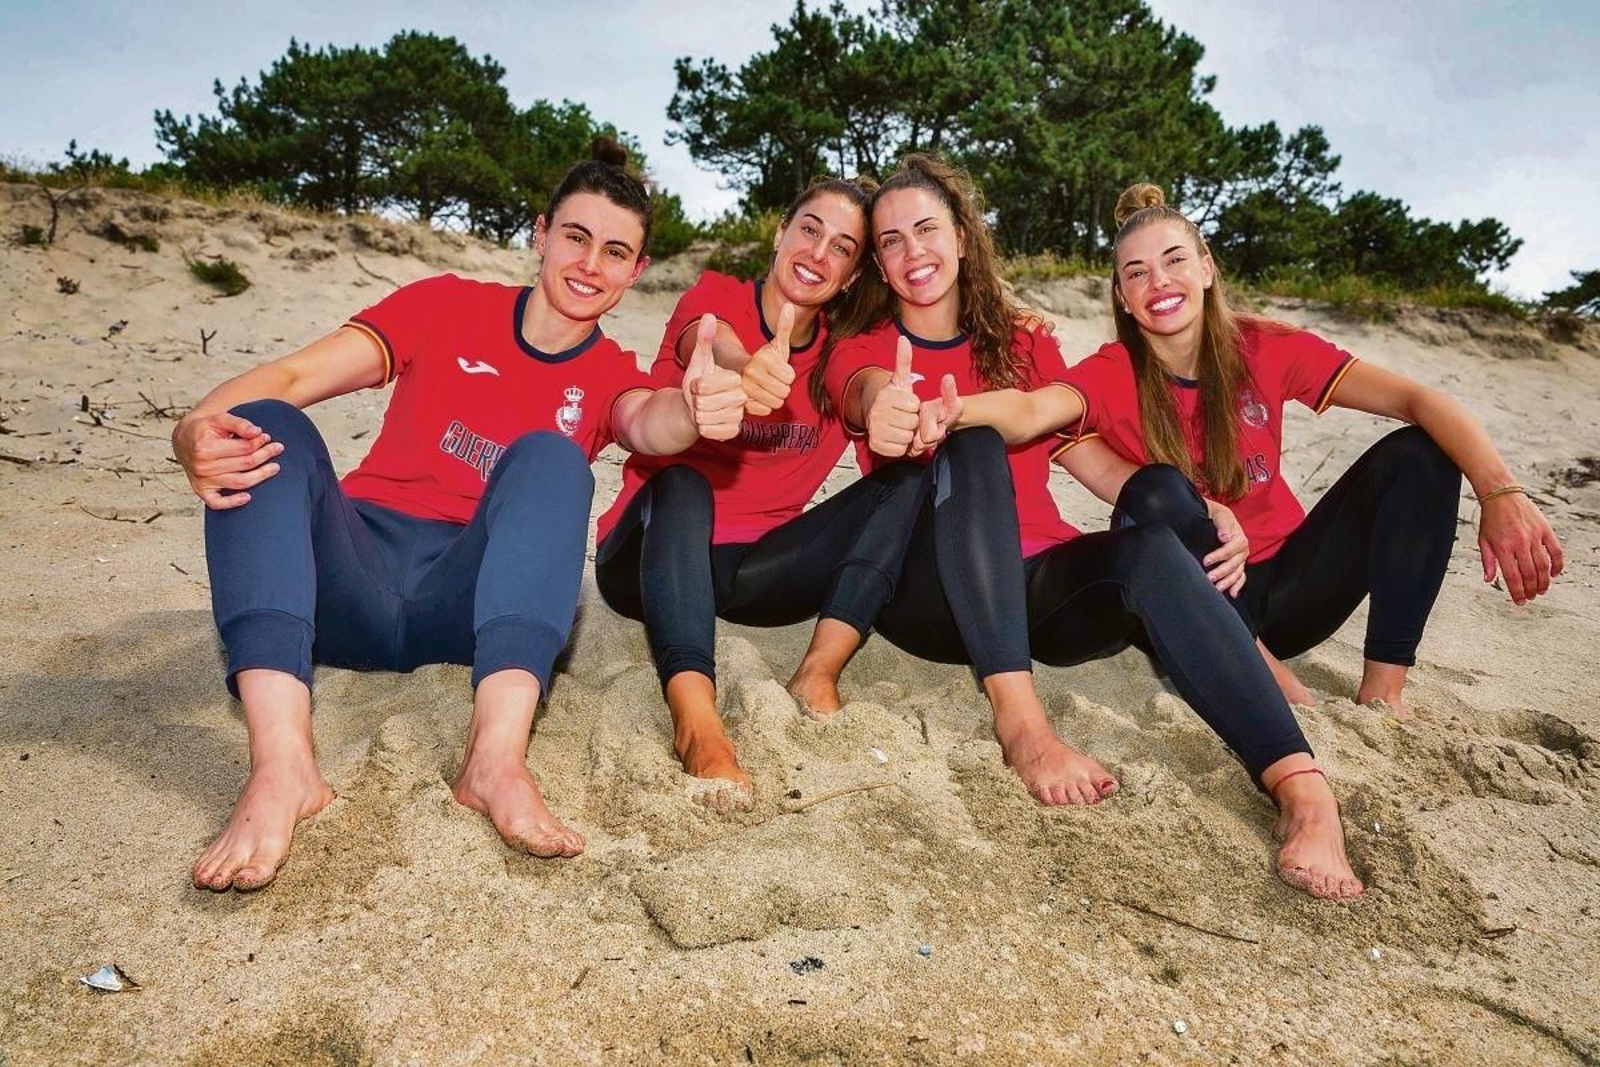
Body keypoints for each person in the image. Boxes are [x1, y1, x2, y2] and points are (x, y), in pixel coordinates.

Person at [173, 140, 746, 891]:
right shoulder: (446, 305)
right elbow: (295, 375)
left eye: (615, 252)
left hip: (471, 611)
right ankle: (282, 769)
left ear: (636, 271)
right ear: (540, 234)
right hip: (349, 582)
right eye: (575, 237)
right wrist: (194, 427)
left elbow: (650, 424)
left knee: (552, 457)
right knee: (260, 422)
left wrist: (697, 410)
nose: (589, 264)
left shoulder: (610, 374)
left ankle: (495, 759)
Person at [827, 154, 1364, 900]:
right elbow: (864, 393)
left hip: (1037, 591)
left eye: (926, 229)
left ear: (961, 236)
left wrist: (1196, 504)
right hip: (934, 594)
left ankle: (1301, 790)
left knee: (1148, 536)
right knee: (973, 440)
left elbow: (1087, 459)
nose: (912, 251)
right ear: (880, 266)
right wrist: (893, 405)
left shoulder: (1025, 343)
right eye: (890, 241)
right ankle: (1023, 727)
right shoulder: (863, 346)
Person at [1055, 183, 1563, 716]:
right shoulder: (1109, 372)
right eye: (1136, 272)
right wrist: (1141, 484)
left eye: (1174, 259)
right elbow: (1046, 426)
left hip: (1289, 592)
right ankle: (1276, 685)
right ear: (1121, 296)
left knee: (1421, 454)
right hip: (1190, 611)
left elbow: (1420, 399)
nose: (1158, 281)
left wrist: (1501, 493)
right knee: (1153, 500)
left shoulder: (1262, 346)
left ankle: (1383, 694)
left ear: (1206, 268)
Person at [594, 176, 930, 813]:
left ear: (855, 273)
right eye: (809, 230)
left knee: (908, 478)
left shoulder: (841, 349)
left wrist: (891, 410)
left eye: (841, 247)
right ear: (779, 234)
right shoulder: (715, 294)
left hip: (755, 573)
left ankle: (817, 672)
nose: (817, 253)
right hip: (645, 557)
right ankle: (697, 724)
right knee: (685, 481)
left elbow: (862, 386)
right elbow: (705, 338)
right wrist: (742, 365)